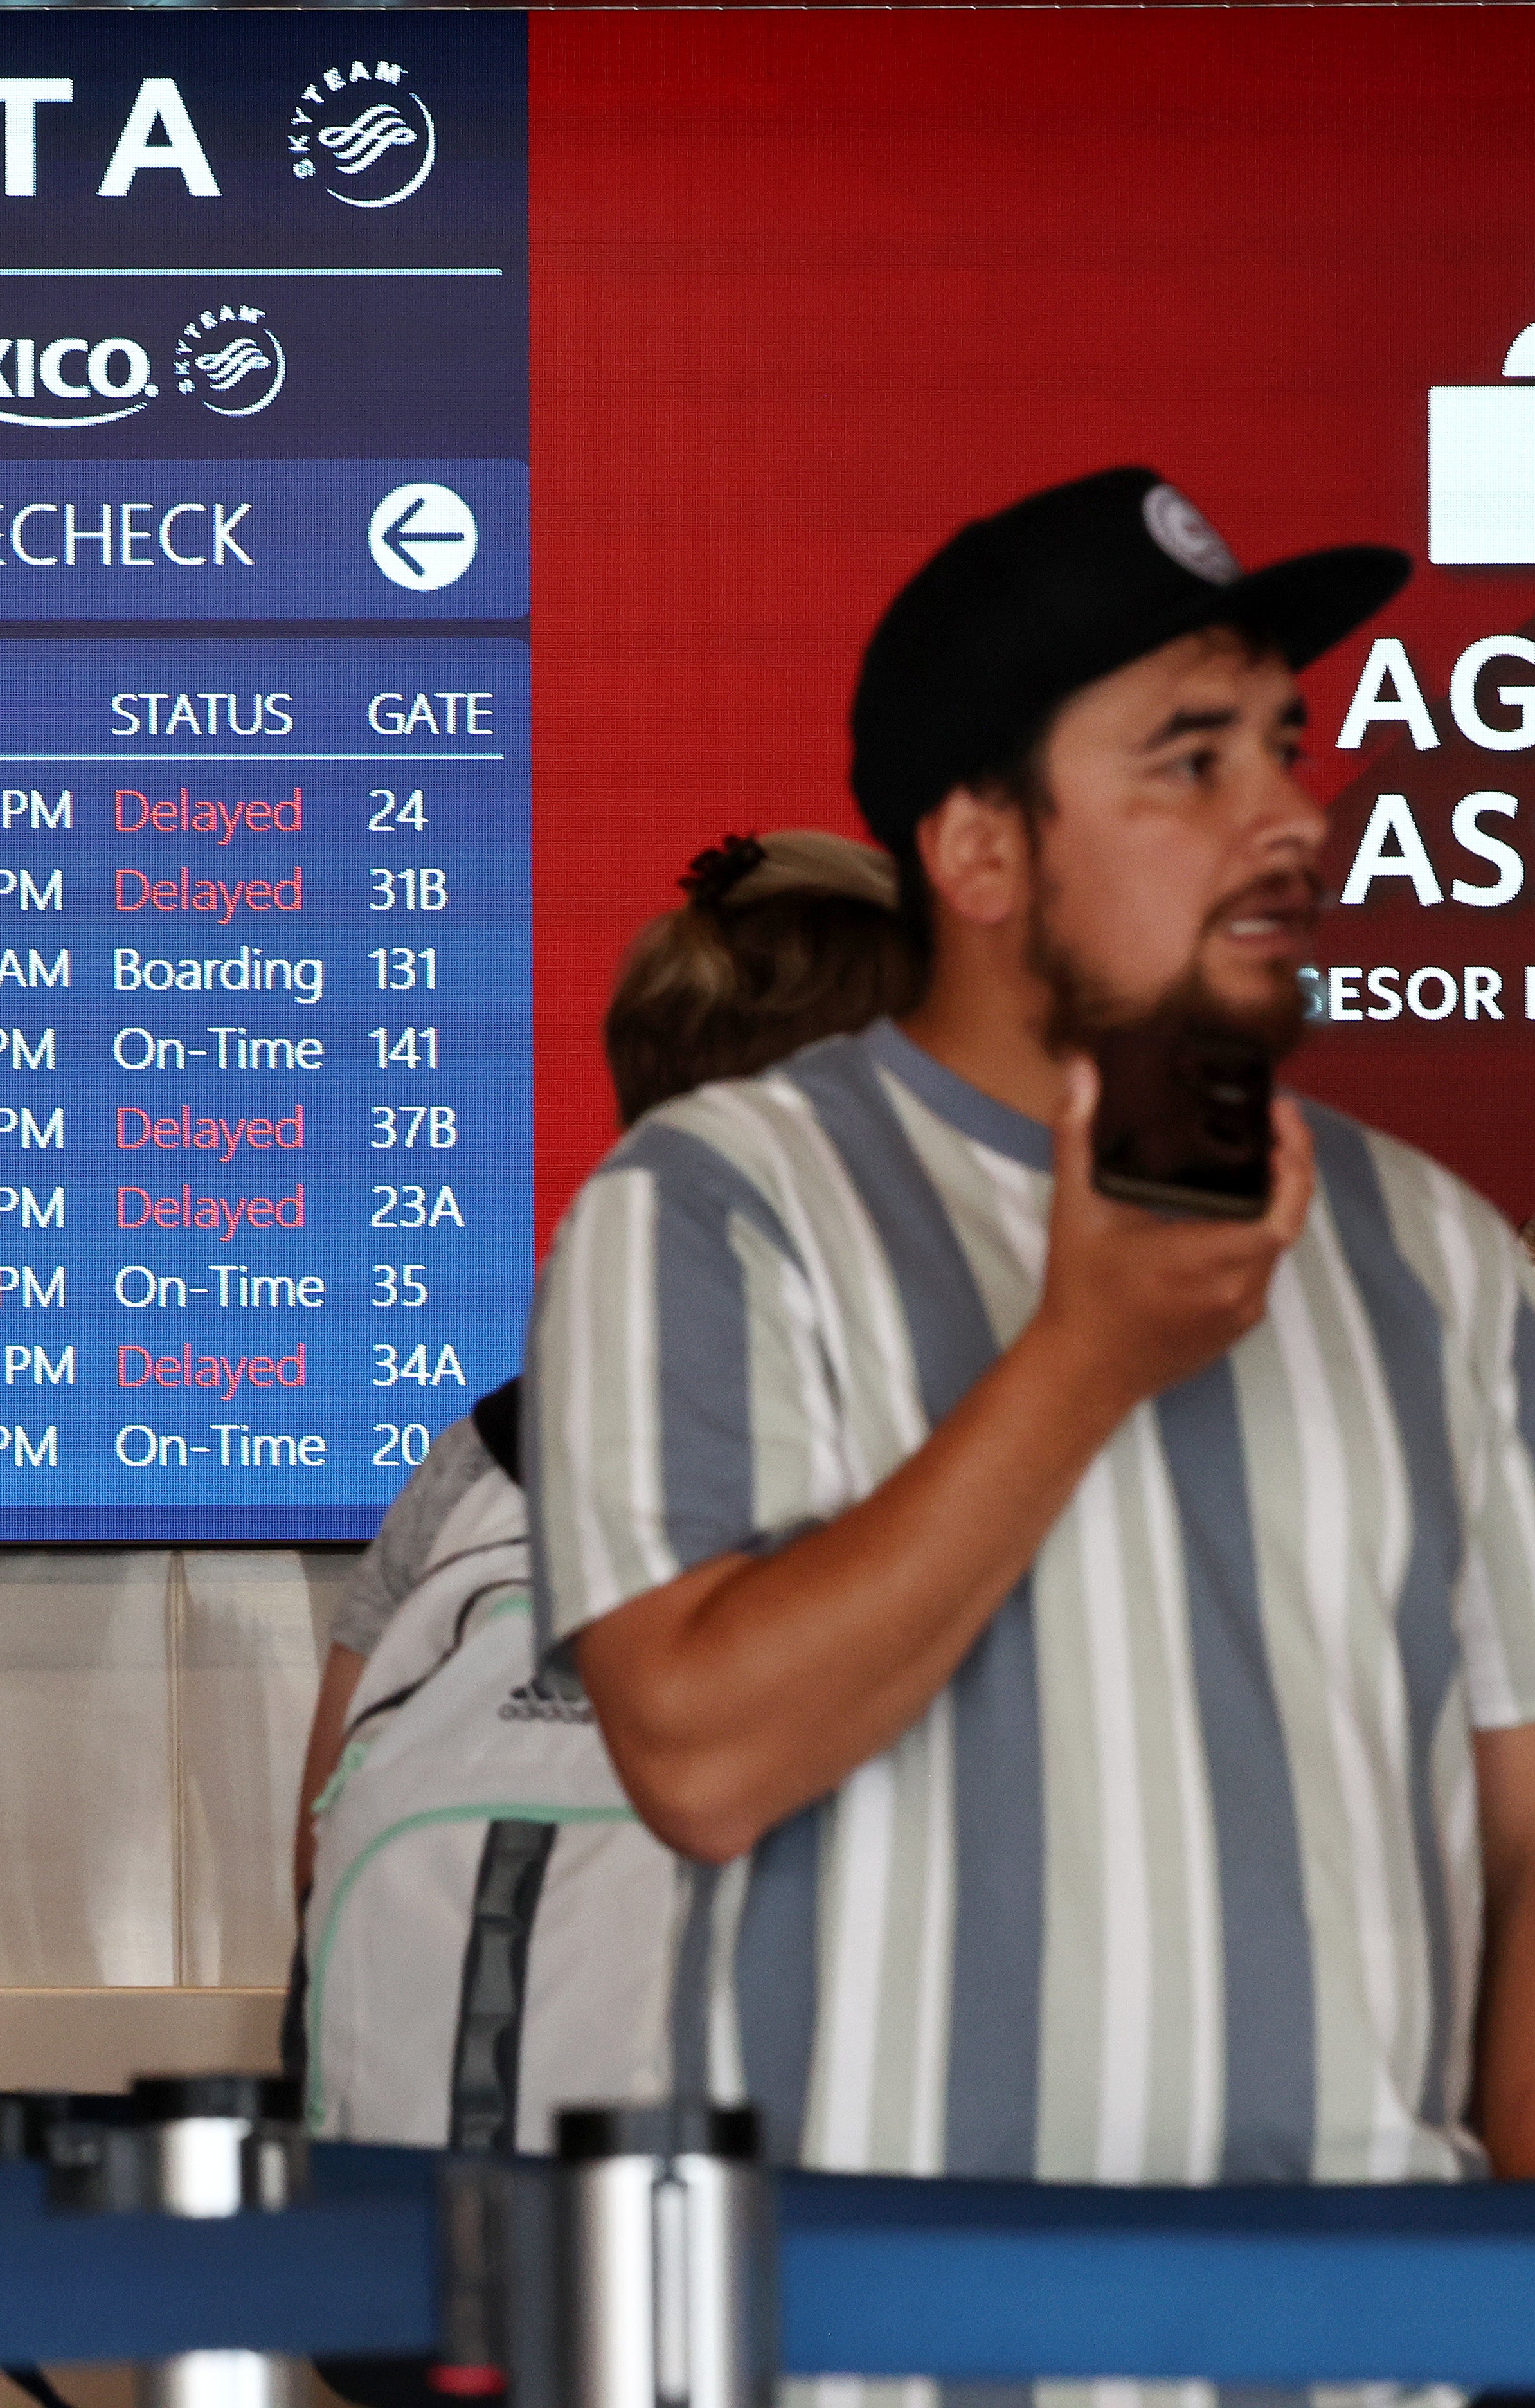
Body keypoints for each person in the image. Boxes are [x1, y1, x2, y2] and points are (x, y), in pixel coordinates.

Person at [534, 466, 1535, 2182]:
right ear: (980, 849)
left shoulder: (1438, 1253)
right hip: (886, 2354)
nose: (1289, 818)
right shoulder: (712, 1204)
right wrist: (1080, 1362)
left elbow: (1527, 1845)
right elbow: (697, 1756)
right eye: (1187, 762)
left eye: (1284, 749)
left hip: (1349, 2354)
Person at [293, 830, 922, 2145]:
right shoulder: (963, 1450)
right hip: (789, 2245)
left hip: (426, 2240)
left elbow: (318, 1851)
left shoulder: (490, 1451)